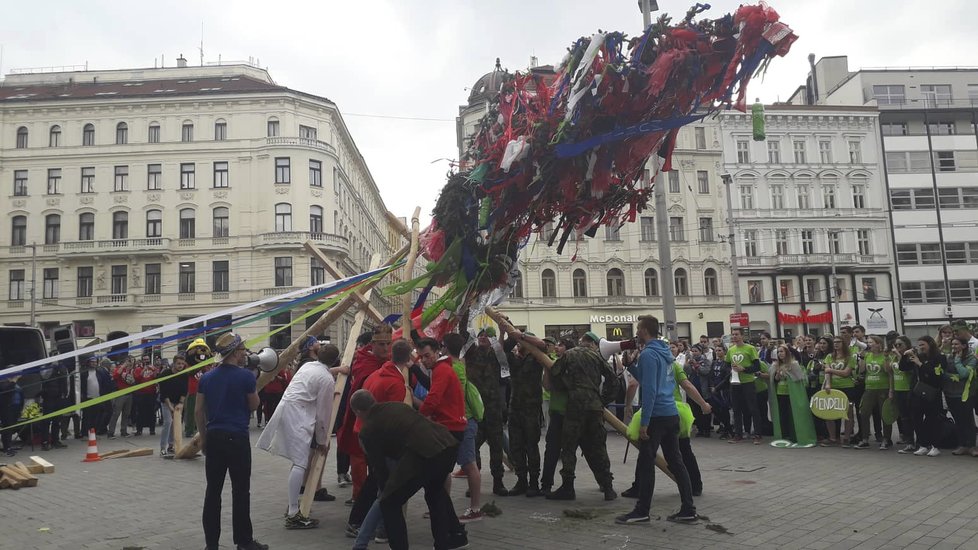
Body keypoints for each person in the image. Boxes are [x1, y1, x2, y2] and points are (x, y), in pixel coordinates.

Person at [352, 390, 468, 550]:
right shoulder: (395, 406)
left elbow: (380, 469)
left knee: (389, 503)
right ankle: (448, 540)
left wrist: (387, 491)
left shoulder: (368, 430)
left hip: (424, 452)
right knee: (435, 493)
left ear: (358, 412)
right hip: (447, 443)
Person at [616, 315, 697, 525]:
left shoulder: (649, 354)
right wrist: (631, 366)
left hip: (657, 416)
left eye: (637, 328)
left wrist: (644, 422)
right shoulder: (663, 352)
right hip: (670, 413)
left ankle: (642, 510)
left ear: (644, 331)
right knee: (677, 462)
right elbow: (651, 380)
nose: (635, 333)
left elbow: (650, 390)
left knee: (646, 462)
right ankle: (688, 509)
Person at [256, 337, 335, 529]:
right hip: (298, 414)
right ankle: (293, 513)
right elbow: (324, 413)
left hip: (288, 408)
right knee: (300, 463)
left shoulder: (308, 367)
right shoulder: (326, 379)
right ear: (334, 361)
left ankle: (293, 507)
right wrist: (322, 440)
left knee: (298, 462)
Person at [547, 335, 616, 501]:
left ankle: (568, 487)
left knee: (569, 446)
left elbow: (555, 373)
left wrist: (566, 386)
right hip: (594, 406)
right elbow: (613, 379)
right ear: (591, 344)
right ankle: (608, 488)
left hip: (575, 405)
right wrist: (603, 399)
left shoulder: (569, 355)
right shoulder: (597, 356)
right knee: (598, 446)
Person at [337, 325, 392, 505]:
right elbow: (362, 383)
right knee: (358, 456)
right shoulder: (362, 359)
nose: (385, 348)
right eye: (381, 344)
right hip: (362, 416)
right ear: (372, 345)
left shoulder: (392, 360)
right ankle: (358, 495)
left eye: (388, 344)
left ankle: (380, 494)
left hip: (384, 418)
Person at [500, 328, 545, 498]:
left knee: (531, 446)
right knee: (516, 446)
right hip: (515, 408)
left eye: (521, 344)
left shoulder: (535, 358)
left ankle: (534, 482)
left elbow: (542, 346)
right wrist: (512, 333)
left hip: (531, 409)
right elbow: (504, 349)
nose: (518, 346)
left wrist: (524, 336)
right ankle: (521, 481)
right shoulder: (514, 359)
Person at [464, 328, 508, 496]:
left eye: (487, 335)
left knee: (496, 447)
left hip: (494, 409)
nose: (483, 337)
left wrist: (502, 332)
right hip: (475, 410)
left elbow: (504, 347)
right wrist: (466, 308)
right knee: (472, 448)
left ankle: (498, 482)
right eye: (481, 335)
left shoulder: (496, 356)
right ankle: (474, 484)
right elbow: (463, 334)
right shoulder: (471, 354)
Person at [901, 336, 946, 457]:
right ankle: (923, 444)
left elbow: (936, 375)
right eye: (919, 345)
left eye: (923, 345)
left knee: (932, 419)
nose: (921, 347)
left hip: (932, 392)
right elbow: (903, 368)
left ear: (930, 344)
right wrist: (905, 356)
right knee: (916, 418)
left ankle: (935, 445)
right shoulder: (919, 356)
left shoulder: (939, 357)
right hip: (918, 392)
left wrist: (920, 364)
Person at [540, 337, 572, 496]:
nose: (557, 348)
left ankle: (605, 485)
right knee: (551, 449)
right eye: (557, 345)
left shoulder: (573, 364)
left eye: (561, 345)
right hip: (557, 411)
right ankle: (546, 484)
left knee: (572, 451)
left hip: (572, 414)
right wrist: (547, 369)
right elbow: (547, 386)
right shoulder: (553, 363)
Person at [855, 336, 893, 450]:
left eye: (871, 342)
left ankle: (887, 439)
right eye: (867, 342)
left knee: (884, 414)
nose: (868, 344)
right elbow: (861, 370)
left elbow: (888, 371)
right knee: (864, 412)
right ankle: (865, 438)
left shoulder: (885, 356)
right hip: (869, 388)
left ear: (878, 344)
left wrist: (891, 390)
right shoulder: (867, 355)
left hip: (883, 388)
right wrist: (861, 357)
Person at [725, 328, 762, 444]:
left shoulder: (750, 348)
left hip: (748, 382)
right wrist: (731, 370)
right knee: (736, 409)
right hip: (735, 383)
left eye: (737, 334)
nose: (734, 337)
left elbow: (757, 367)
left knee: (752, 408)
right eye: (733, 335)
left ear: (742, 336)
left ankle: (757, 434)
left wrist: (744, 369)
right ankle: (738, 434)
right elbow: (726, 366)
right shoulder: (731, 350)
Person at [943, 336, 976, 456]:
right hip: (950, 394)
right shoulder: (948, 357)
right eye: (952, 345)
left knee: (968, 421)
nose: (954, 347)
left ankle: (972, 446)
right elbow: (943, 373)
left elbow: (964, 374)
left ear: (964, 346)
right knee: (958, 420)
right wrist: (952, 376)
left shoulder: (971, 358)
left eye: (956, 344)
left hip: (965, 394)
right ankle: (962, 445)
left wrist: (957, 361)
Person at [823, 337, 857, 448]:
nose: (836, 344)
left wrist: (831, 370)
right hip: (832, 388)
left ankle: (846, 437)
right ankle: (833, 437)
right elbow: (826, 372)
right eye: (834, 342)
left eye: (838, 342)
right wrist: (828, 384)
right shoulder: (829, 356)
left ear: (843, 343)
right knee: (829, 412)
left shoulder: (849, 357)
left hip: (847, 387)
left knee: (848, 413)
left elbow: (846, 373)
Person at [157, 354, 189, 457]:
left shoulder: (184, 374)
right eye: (178, 363)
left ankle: (171, 445)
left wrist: (180, 403)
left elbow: (184, 391)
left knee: (175, 422)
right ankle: (163, 447)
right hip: (166, 401)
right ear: (173, 364)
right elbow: (164, 393)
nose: (181, 366)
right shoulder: (165, 374)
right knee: (168, 422)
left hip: (177, 401)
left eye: (182, 364)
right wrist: (170, 407)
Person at [184, 338, 213, 438]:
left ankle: (201, 428)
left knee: (204, 411)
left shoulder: (208, 365)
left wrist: (206, 366)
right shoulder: (188, 365)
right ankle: (189, 430)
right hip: (193, 391)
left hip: (206, 392)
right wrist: (200, 366)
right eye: (198, 348)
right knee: (191, 412)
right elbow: (189, 372)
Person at [890, 337, 915, 450]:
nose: (898, 347)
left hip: (908, 389)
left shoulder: (910, 355)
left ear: (906, 345)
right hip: (898, 389)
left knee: (912, 416)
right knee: (903, 417)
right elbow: (890, 373)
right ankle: (908, 440)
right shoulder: (893, 357)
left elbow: (907, 369)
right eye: (896, 345)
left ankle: (917, 441)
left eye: (900, 345)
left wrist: (900, 356)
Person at [107, 357, 134, 439]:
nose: (130, 363)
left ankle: (124, 431)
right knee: (116, 413)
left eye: (131, 361)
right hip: (120, 394)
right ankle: (111, 432)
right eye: (129, 361)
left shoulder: (131, 370)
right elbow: (115, 376)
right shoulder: (119, 368)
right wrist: (123, 366)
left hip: (129, 394)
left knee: (126, 414)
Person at [0, 372, 24, 456]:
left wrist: (21, 408)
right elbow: (7, 391)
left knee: (11, 428)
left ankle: (9, 445)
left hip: (16, 409)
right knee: (7, 428)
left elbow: (21, 395)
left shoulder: (16, 384)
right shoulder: (3, 383)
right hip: (6, 409)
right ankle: (7, 448)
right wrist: (13, 381)